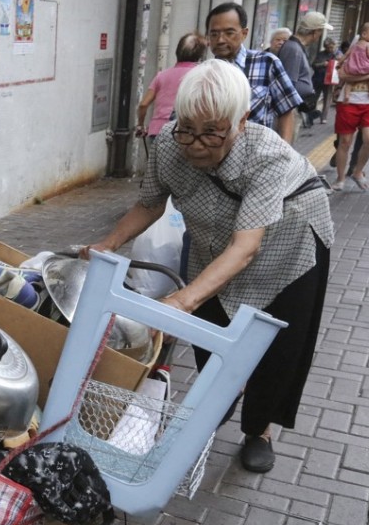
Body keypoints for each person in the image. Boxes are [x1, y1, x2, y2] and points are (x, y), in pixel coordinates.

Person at [84, 59, 333, 474]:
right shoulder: (168, 144)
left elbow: (246, 247)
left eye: (212, 132)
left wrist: (183, 299)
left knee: (275, 348)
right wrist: (106, 244)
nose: (196, 144)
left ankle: (259, 430)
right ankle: (213, 408)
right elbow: (149, 203)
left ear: (241, 120)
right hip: (213, 246)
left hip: (288, 249)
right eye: (187, 129)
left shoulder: (266, 155)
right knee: (210, 336)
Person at [205, 2, 302, 142]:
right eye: (214, 34)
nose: (220, 40)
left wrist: (285, 153)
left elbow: (286, 111)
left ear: (244, 33)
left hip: (257, 158)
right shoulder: (204, 73)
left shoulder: (266, 63)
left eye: (229, 33)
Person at [135, 31, 207, 143]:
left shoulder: (162, 75)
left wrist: (140, 125)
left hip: (157, 131)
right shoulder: (201, 76)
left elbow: (143, 104)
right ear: (200, 55)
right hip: (184, 132)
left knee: (155, 160)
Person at [277, 12, 332, 138]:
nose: (320, 36)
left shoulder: (297, 47)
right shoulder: (293, 49)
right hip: (290, 110)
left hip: (295, 109)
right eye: (320, 31)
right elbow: (288, 87)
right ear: (314, 32)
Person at [331, 30, 369, 191]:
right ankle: (340, 179)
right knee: (345, 142)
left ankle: (357, 171)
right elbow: (342, 74)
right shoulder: (355, 48)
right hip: (348, 102)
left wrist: (359, 76)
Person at [338, 22, 369, 103]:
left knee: (349, 82)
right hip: (365, 67)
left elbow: (346, 54)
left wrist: (340, 62)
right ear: (364, 34)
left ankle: (347, 94)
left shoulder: (356, 44)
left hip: (353, 67)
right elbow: (342, 76)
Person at [311, 38, 342, 124]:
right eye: (329, 47)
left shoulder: (336, 55)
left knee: (327, 99)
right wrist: (323, 64)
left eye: (332, 47)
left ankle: (323, 117)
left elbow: (340, 66)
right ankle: (311, 116)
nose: (331, 49)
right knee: (314, 98)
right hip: (318, 79)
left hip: (329, 80)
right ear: (325, 47)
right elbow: (313, 65)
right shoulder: (320, 54)